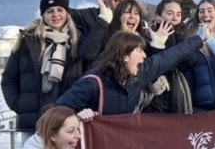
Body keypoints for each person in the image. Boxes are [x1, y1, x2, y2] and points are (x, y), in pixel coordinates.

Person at [1, 0, 96, 142]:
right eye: (50, 11)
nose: (55, 15)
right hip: (33, 123)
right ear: (43, 15)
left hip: (66, 121)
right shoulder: (28, 41)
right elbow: (8, 78)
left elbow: (88, 80)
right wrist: (20, 105)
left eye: (60, 10)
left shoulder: (78, 43)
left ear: (67, 13)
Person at [56, 28, 205, 117]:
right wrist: (78, 116)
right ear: (125, 56)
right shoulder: (92, 83)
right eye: (139, 51)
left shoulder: (138, 74)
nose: (144, 56)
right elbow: (56, 113)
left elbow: (169, 57)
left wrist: (198, 38)